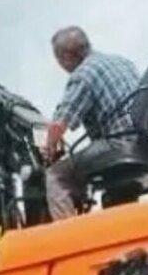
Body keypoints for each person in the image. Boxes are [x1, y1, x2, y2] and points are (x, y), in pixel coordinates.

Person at [43, 27, 140, 220]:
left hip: (119, 145)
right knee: (83, 165)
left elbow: (59, 125)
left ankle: (70, 234)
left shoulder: (83, 74)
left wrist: (49, 149)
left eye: (59, 59)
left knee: (56, 175)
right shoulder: (123, 63)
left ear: (66, 57)